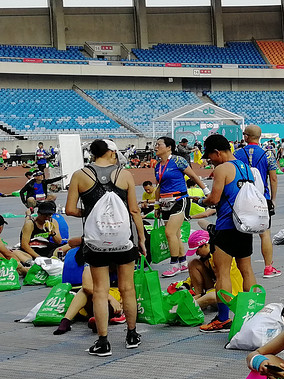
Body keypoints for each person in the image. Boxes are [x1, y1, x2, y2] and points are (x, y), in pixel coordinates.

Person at [64, 139, 145, 356]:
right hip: (123, 238)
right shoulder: (124, 174)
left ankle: (103, 342)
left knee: (99, 291)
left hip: (96, 241)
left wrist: (91, 214)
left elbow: (70, 209)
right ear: (110, 152)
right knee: (127, 288)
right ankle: (132, 334)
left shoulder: (80, 175)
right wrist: (142, 239)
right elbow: (135, 211)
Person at [196, 133, 260, 333]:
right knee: (246, 270)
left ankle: (223, 319)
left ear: (217, 152)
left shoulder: (222, 168)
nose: (209, 161)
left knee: (221, 272)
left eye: (210, 157)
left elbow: (214, 199)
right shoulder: (245, 167)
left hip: (227, 226)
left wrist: (200, 202)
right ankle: (253, 315)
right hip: (245, 225)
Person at [153, 136, 209, 278]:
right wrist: (157, 205)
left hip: (179, 199)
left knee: (169, 233)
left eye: (159, 144)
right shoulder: (157, 166)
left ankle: (173, 265)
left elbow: (194, 176)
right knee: (175, 234)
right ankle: (183, 263)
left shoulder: (178, 160)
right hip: (165, 202)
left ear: (169, 147)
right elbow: (159, 186)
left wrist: (206, 191)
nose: (155, 147)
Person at [239, 125, 281, 279]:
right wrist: (273, 199)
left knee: (241, 233)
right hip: (261, 198)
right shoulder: (267, 154)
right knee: (265, 234)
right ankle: (268, 267)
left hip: (241, 198)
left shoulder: (237, 153)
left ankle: (242, 268)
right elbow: (273, 178)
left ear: (246, 137)